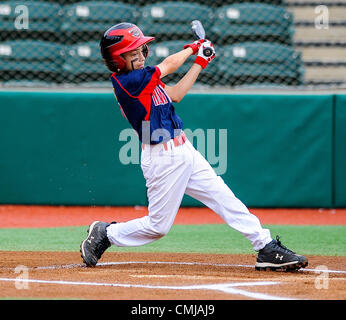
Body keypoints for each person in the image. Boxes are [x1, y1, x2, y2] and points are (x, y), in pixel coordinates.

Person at [80, 22, 308, 272]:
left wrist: (200, 63)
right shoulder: (128, 81)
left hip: (183, 149)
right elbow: (168, 66)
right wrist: (193, 47)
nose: (140, 55)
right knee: (158, 227)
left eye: (140, 50)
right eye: (133, 53)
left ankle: (265, 246)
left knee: (224, 197)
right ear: (117, 60)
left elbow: (175, 94)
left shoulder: (145, 78)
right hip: (161, 157)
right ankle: (106, 233)